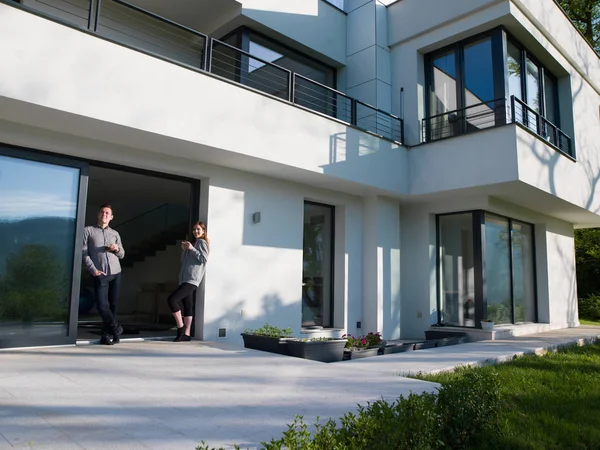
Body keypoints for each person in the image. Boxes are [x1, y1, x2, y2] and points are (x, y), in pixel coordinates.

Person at [82, 204, 125, 345]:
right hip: (100, 273)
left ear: (111, 217)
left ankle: (106, 336)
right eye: (102, 212)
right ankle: (116, 329)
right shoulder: (88, 231)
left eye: (107, 213)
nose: (104, 214)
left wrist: (117, 248)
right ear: (98, 214)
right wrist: (93, 269)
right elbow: (84, 253)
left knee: (113, 305)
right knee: (102, 306)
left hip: (116, 272)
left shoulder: (115, 234)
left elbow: (122, 254)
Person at [167, 221, 209, 342]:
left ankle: (180, 327)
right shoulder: (194, 243)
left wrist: (191, 249)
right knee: (188, 305)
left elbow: (204, 259)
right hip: (184, 278)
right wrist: (185, 250)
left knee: (172, 299)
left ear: (203, 231)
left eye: (198, 229)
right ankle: (186, 334)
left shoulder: (202, 242)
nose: (196, 231)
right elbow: (183, 262)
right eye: (194, 230)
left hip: (192, 279)